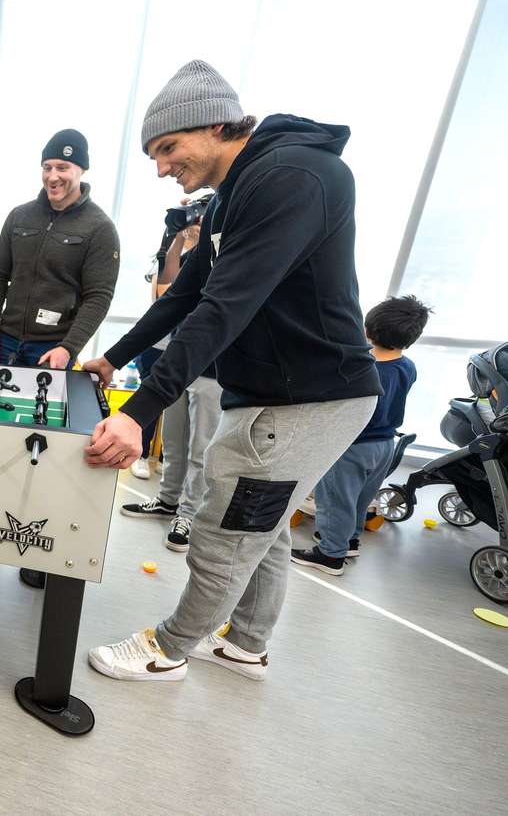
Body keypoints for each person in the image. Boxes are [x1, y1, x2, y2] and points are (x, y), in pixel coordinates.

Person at [82, 60, 382, 683]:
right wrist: (114, 359)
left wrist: (139, 412)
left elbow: (226, 306)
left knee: (227, 529)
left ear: (216, 123)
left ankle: (170, 649)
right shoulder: (227, 199)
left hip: (308, 397)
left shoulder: (294, 177)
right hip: (275, 392)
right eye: (153, 156)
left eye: (168, 148)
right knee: (263, 528)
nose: (162, 167)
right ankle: (246, 644)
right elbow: (183, 297)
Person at [292, 295, 430, 574]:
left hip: (353, 446)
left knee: (335, 501)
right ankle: (350, 539)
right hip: (385, 445)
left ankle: (330, 555)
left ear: (367, 330)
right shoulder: (408, 366)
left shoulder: (362, 369)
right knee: (359, 499)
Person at [120, 201, 223, 555]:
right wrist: (179, 241)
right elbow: (166, 295)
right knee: (175, 442)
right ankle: (167, 500)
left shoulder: (228, 250)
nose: (196, 220)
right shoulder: (194, 254)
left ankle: (188, 514)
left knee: (201, 447)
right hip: (180, 363)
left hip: (213, 369)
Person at [0, 129, 121, 369]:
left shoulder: (100, 228)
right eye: (47, 168)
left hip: (53, 349)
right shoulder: (19, 216)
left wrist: (69, 348)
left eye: (62, 167)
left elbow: (98, 298)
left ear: (82, 170)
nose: (53, 176)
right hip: (4, 343)